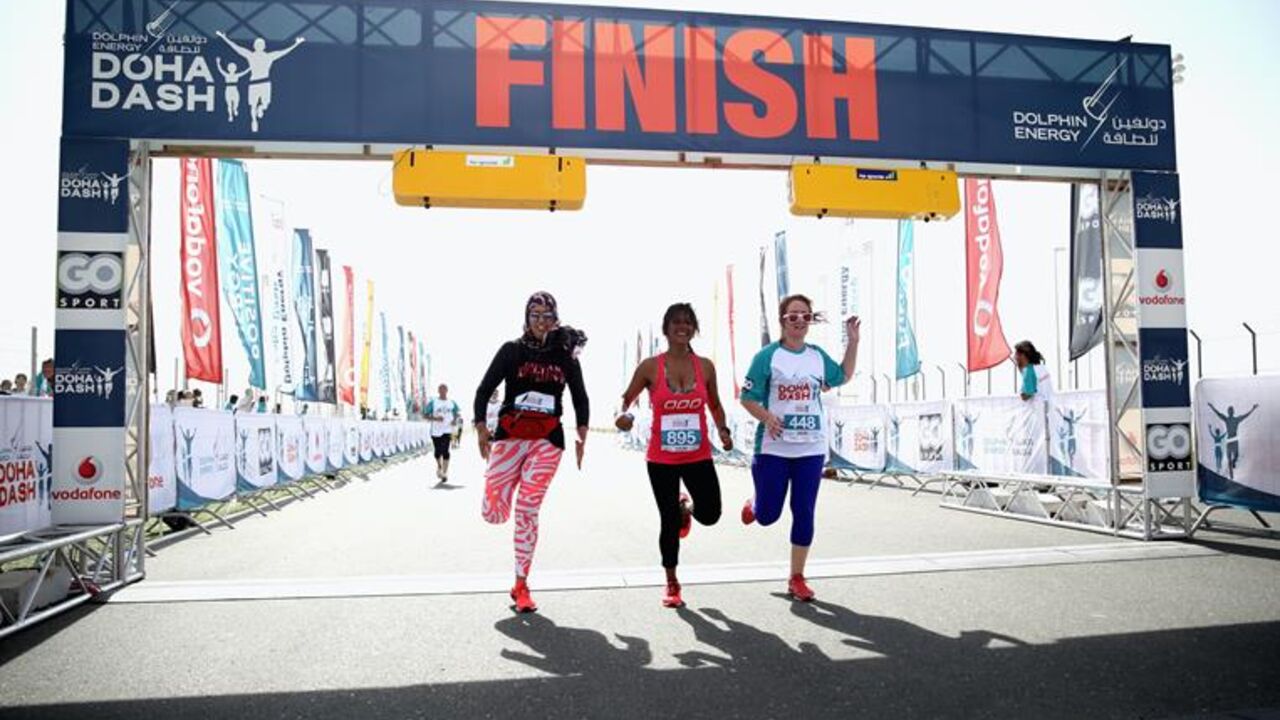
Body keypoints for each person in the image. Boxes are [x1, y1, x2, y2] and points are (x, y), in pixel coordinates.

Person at [473, 291, 589, 613]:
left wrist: (582, 433)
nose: (541, 321)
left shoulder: (566, 356)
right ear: (526, 318)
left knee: (527, 509)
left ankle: (521, 584)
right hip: (510, 436)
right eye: (535, 315)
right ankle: (497, 489)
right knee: (494, 513)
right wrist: (481, 427)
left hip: (547, 440)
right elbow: (484, 389)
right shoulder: (512, 350)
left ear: (556, 319)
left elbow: (580, 397)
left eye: (547, 316)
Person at [739, 294, 860, 602]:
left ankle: (797, 577)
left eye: (804, 316)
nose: (799, 321)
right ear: (783, 320)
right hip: (773, 448)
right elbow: (748, 398)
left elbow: (843, 376)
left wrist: (853, 342)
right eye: (792, 316)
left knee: (804, 512)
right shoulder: (767, 356)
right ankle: (755, 504)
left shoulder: (817, 356)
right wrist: (768, 417)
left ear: (810, 320)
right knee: (768, 516)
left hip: (811, 448)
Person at [616, 303, 732, 608]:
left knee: (711, 514)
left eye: (688, 322)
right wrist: (622, 416)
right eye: (676, 322)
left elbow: (716, 404)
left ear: (694, 328)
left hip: (698, 455)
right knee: (667, 522)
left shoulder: (705, 366)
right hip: (661, 458)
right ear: (666, 329)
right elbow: (625, 401)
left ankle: (687, 508)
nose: (683, 326)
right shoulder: (650, 366)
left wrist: (723, 430)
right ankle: (672, 582)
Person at [426, 384, 461, 481]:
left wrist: (454, 419)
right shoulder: (433, 402)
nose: (442, 391)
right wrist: (435, 418)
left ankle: (445, 473)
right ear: (438, 391)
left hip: (447, 430)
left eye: (444, 389)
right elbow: (425, 415)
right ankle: (439, 466)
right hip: (436, 431)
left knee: (446, 450)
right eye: (440, 389)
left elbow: (457, 413)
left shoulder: (452, 402)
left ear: (447, 390)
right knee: (437, 452)